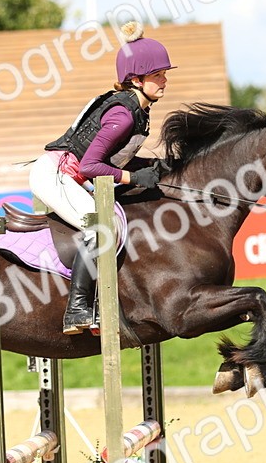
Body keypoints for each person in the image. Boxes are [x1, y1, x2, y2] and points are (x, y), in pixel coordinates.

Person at [29, 21, 172, 335]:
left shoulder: (138, 109)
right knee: (102, 227)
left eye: (164, 74)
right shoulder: (123, 114)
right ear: (136, 79)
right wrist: (133, 178)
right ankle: (78, 309)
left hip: (70, 174)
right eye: (158, 75)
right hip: (57, 174)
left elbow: (111, 159)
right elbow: (92, 166)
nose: (164, 81)